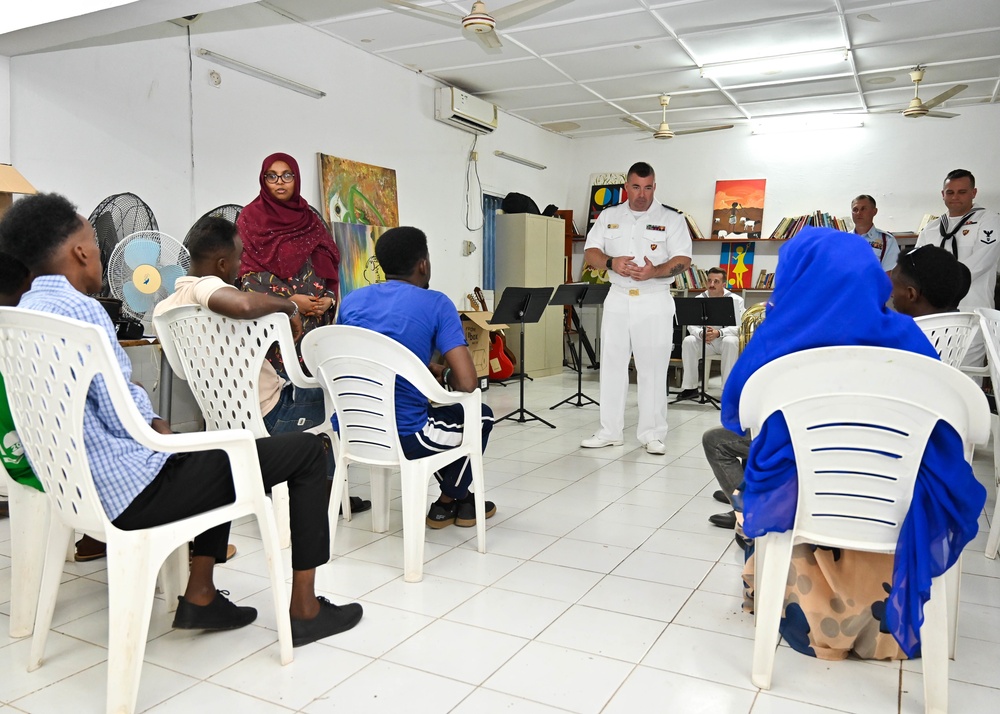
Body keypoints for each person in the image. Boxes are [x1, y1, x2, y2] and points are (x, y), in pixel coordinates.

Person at [0, 193, 362, 647]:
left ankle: (202, 595)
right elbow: (122, 413)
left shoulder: (20, 315)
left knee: (220, 451)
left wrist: (152, 419)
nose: (96, 250)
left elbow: (102, 404)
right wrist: (153, 423)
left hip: (75, 490)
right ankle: (306, 609)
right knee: (311, 450)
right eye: (93, 240)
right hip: (135, 491)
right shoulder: (83, 311)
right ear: (79, 252)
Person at [718, 225, 984, 661]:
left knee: (749, 461)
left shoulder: (773, 342)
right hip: (894, 506)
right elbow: (952, 425)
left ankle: (778, 588)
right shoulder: (909, 337)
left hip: (808, 502)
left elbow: (736, 415)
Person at [153, 216, 371, 514]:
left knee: (311, 390)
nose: (241, 264)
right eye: (239, 257)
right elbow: (243, 305)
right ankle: (329, 492)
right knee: (338, 395)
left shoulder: (165, 308)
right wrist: (289, 305)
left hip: (224, 420)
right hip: (274, 414)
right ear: (220, 264)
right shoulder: (204, 288)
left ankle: (310, 484)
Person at [336, 226, 496, 528]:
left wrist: (426, 370)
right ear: (423, 264)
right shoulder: (436, 303)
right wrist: (444, 372)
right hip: (407, 436)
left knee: (440, 417)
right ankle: (448, 500)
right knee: (480, 416)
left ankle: (458, 500)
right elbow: (467, 383)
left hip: (355, 429)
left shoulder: (352, 301)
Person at [0, 252, 108, 560]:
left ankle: (96, 537)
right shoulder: (44, 330)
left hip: (19, 461)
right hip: (54, 470)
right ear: (28, 283)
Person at [581, 162, 692, 454]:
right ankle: (609, 431)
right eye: (635, 187)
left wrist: (654, 271)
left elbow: (683, 259)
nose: (642, 194)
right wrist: (611, 262)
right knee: (612, 365)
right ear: (626, 187)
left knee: (652, 368)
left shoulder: (672, 219)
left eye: (648, 187)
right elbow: (590, 251)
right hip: (617, 296)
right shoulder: (609, 215)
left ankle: (652, 434)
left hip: (654, 298)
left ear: (654, 187)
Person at [238, 153, 341, 374]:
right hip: (277, 320)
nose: (280, 182)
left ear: (296, 178)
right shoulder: (250, 218)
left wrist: (329, 300)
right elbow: (248, 273)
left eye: (287, 175)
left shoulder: (310, 219)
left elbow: (330, 263)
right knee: (283, 387)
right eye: (272, 176)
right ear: (263, 180)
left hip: (315, 320)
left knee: (315, 384)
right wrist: (290, 301)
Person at [915, 169, 1000, 368]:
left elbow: (982, 261)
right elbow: (918, 264)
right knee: (938, 370)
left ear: (974, 193)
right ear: (942, 194)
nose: (955, 197)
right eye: (950, 192)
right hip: (936, 314)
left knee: (967, 372)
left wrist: (940, 281)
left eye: (962, 192)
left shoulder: (989, 221)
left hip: (972, 309)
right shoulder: (932, 228)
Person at [677, 266, 744, 400]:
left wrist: (719, 333)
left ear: (724, 284)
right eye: (709, 281)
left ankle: (727, 390)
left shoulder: (736, 300)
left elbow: (740, 327)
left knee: (731, 341)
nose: (711, 284)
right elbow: (691, 325)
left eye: (716, 281)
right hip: (705, 341)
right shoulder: (699, 298)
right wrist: (701, 334)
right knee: (688, 340)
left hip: (724, 342)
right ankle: (691, 388)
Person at [890, 244, 969, 317]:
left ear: (911, 294)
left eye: (893, 287)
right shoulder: (965, 329)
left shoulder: (896, 331)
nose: (891, 294)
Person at [851, 194, 899, 273]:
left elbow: (889, 274)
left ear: (874, 211)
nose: (859, 213)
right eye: (855, 209)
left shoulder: (887, 240)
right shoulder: (844, 239)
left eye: (863, 209)